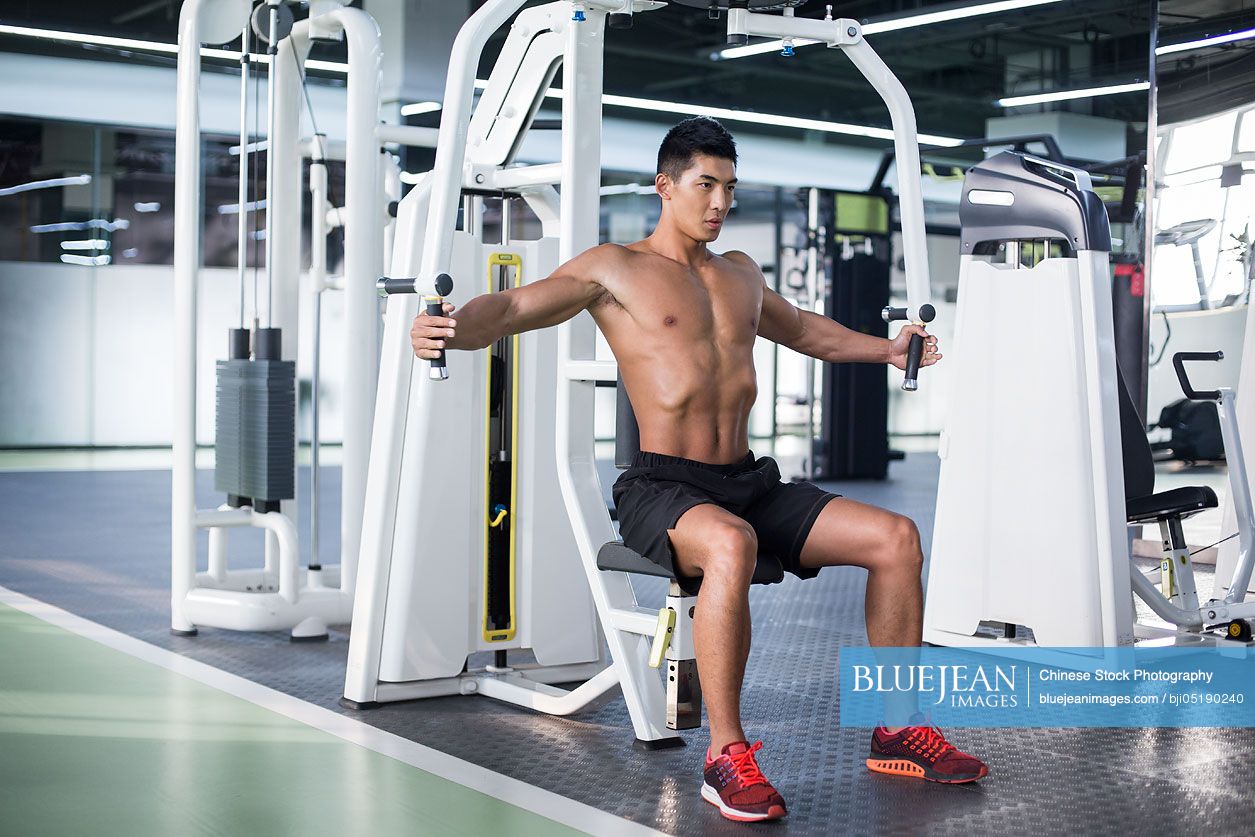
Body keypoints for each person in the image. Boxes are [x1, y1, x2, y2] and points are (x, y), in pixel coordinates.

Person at [410, 116, 988, 823]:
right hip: (661, 486)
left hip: (746, 478)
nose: (719, 202)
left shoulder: (739, 273)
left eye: (729, 188)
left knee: (895, 537)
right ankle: (725, 754)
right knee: (730, 544)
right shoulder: (612, 269)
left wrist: (886, 346)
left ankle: (896, 727)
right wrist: (447, 326)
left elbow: (806, 330)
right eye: (705, 185)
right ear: (665, 186)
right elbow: (509, 307)